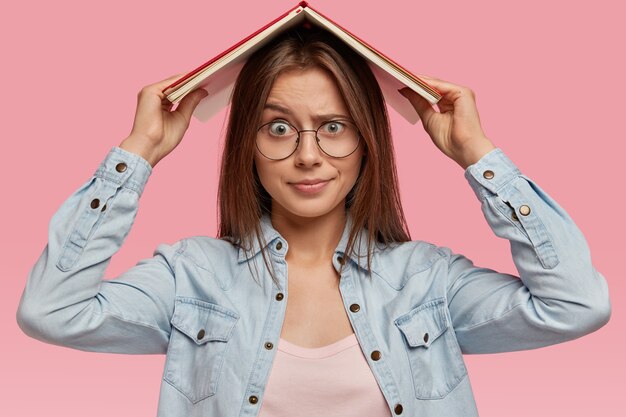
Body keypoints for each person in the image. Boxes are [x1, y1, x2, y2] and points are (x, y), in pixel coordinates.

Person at [16, 26, 610, 417]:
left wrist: (478, 156)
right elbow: (51, 311)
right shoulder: (191, 276)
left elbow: (574, 306)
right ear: (245, 142)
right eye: (278, 127)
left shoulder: (427, 280)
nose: (307, 155)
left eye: (333, 126)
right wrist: (138, 153)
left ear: (367, 140)